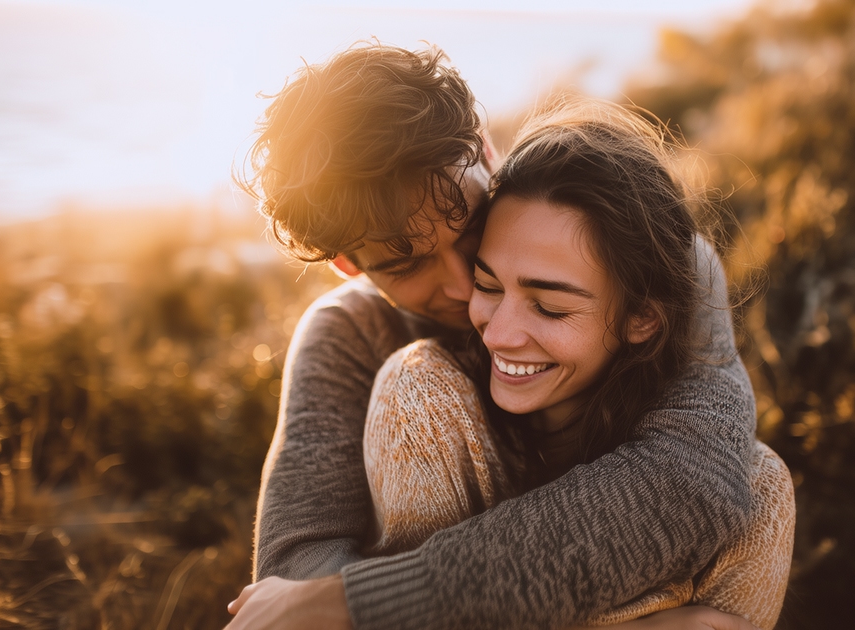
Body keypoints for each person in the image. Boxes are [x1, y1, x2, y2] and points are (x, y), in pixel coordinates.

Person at [226, 44, 762, 630]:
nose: (462, 287)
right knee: (420, 394)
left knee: (766, 483)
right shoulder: (347, 334)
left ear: (484, 151)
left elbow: (693, 482)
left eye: (469, 228)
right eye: (406, 267)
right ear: (347, 266)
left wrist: (359, 601)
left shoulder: (655, 267)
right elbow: (296, 572)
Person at [360, 100, 796, 628]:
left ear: (643, 320)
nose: (497, 334)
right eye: (488, 285)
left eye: (550, 307)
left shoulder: (742, 486)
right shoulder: (424, 403)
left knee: (765, 478)